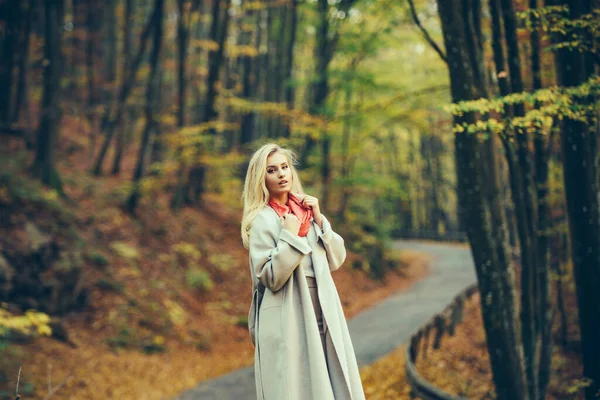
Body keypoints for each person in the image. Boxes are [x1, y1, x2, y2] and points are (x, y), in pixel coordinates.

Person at [241, 143, 365, 400]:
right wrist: (289, 235)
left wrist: (319, 219)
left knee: (331, 377)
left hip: (322, 303)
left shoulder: (306, 211)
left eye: (285, 167)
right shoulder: (262, 219)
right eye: (272, 170)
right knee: (299, 385)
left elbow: (337, 258)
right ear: (260, 177)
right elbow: (270, 278)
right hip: (288, 309)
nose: (281, 174)